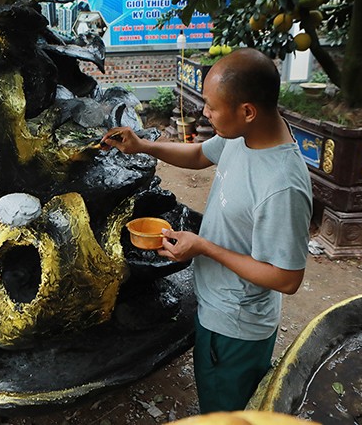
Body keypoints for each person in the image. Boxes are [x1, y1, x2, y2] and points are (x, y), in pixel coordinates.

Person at [101, 48, 312, 413]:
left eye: (212, 108)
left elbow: (287, 278)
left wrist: (204, 247)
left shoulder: (282, 186)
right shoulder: (245, 135)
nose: (204, 112)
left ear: (247, 111)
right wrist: (141, 146)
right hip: (217, 309)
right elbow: (200, 156)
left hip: (235, 328)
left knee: (224, 414)